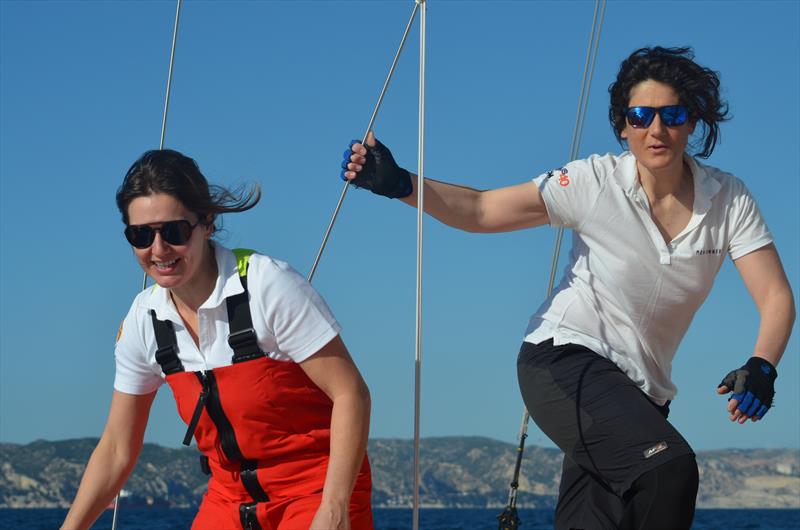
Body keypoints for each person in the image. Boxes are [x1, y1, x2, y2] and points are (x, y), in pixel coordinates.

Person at [340, 46, 795, 530]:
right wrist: (400, 183)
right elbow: (481, 211)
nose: (657, 129)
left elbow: (775, 297)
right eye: (641, 116)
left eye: (673, 115)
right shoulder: (593, 181)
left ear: (692, 122)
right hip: (563, 360)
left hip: (641, 392)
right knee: (668, 471)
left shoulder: (728, 199)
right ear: (623, 126)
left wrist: (762, 365)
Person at [62, 149, 374, 530]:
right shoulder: (144, 320)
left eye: (173, 232)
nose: (158, 249)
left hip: (317, 491)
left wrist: (334, 509)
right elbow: (116, 448)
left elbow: (351, 394)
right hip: (229, 499)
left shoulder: (266, 286)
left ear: (207, 223)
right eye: (141, 235)